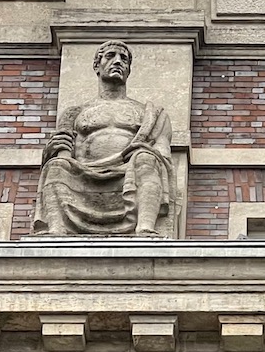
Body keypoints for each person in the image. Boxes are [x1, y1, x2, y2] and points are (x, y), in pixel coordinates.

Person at [32, 40, 173, 236]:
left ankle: (145, 227)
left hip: (129, 170)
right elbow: (63, 151)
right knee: (56, 166)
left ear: (129, 70)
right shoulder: (74, 113)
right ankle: (57, 230)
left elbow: (163, 152)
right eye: (110, 56)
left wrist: (147, 151)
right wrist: (52, 151)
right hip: (84, 174)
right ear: (96, 66)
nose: (117, 62)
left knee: (147, 159)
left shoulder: (149, 113)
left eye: (123, 58)